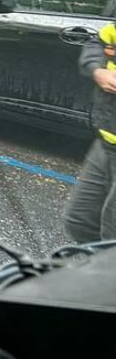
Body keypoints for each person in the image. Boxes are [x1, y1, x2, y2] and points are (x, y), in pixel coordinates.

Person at [63, 22, 116, 243]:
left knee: (112, 235)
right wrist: (98, 69)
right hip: (107, 140)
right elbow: (98, 42)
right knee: (80, 221)